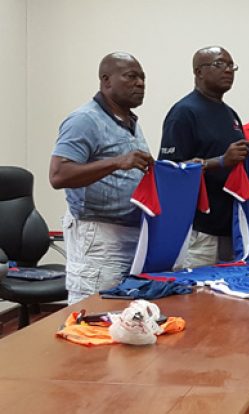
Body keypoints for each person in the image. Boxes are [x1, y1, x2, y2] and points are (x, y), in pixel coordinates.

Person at [49, 52, 153, 304]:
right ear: (106, 81)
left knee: (123, 317)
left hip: (131, 233)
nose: (140, 83)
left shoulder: (128, 121)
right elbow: (58, 175)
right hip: (98, 234)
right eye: (131, 76)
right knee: (93, 317)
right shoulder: (85, 120)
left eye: (142, 78)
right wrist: (118, 162)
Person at [159, 46, 249, 268]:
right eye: (220, 64)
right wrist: (219, 161)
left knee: (231, 297)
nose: (228, 70)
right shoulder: (183, 112)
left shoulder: (231, 114)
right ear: (199, 72)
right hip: (199, 231)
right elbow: (169, 171)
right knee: (196, 297)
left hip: (231, 228)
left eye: (231, 65)